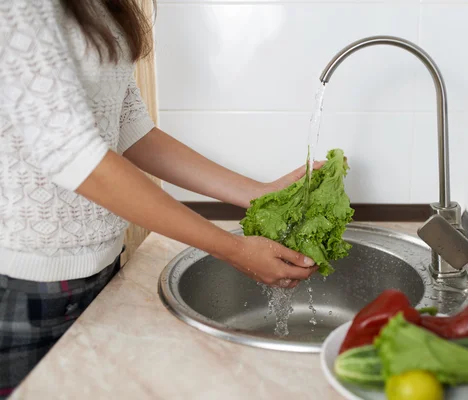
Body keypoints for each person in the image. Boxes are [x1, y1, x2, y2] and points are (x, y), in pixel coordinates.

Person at [0, 0, 319, 395]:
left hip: (99, 270)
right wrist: (233, 249)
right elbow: (73, 155)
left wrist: (260, 195)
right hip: (22, 283)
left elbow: (131, 127)